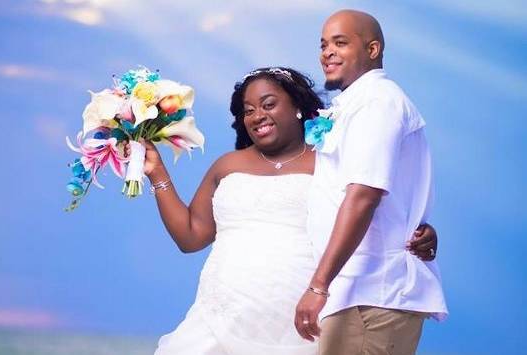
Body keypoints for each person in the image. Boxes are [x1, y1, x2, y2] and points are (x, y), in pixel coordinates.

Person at [129, 67, 437, 354]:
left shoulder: (331, 161)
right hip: (219, 315)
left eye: (268, 104)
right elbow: (191, 237)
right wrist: (158, 174)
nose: (257, 116)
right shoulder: (227, 165)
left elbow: (367, 207)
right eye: (248, 111)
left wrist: (421, 234)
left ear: (298, 108)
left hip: (301, 317)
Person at [293, 10, 448, 355]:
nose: (327, 52)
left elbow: (364, 195)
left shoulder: (378, 103)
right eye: (323, 44)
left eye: (340, 42)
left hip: (374, 294)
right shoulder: (357, 104)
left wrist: (319, 286)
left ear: (373, 49)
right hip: (358, 293)